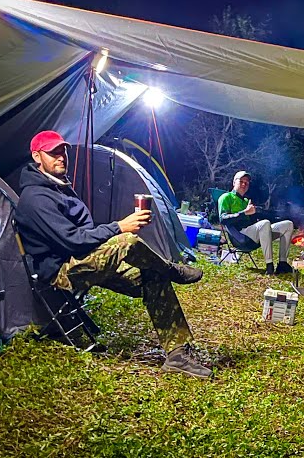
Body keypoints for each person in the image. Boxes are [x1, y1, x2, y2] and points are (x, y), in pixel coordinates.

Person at [15, 130, 212, 379]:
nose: (61, 157)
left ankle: (177, 355)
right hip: (63, 270)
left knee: (153, 275)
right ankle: (172, 269)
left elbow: (84, 234)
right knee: (126, 241)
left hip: (85, 259)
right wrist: (119, 227)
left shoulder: (59, 188)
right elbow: (72, 241)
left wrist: (109, 235)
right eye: (53, 153)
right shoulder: (35, 198)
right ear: (37, 157)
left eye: (62, 151)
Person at [213, 170, 295, 275]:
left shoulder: (247, 201)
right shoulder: (226, 197)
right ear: (234, 182)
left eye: (246, 182)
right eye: (241, 181)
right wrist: (244, 213)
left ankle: (282, 264)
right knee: (264, 223)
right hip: (240, 237)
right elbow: (223, 219)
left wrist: (276, 215)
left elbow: (256, 218)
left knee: (288, 224)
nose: (244, 184)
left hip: (254, 234)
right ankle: (269, 266)